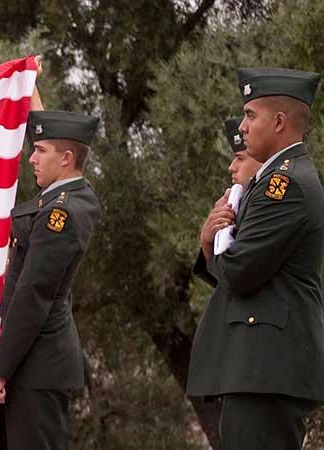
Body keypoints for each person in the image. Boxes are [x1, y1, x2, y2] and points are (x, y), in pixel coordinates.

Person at [189, 68, 323, 450]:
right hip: (260, 369)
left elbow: (243, 271)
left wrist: (208, 241)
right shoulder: (273, 180)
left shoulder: (285, 186)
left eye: (250, 115)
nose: (243, 128)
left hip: (266, 369)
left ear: (279, 121)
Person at [0, 110, 101, 450]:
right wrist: (30, 86)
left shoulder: (62, 213)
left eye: (40, 150)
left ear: (66, 159)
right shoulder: (57, 197)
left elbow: (32, 296)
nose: (31, 158)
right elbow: (54, 130)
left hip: (37, 365)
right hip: (21, 359)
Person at [192, 117, 262, 287]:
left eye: (240, 158)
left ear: (262, 160)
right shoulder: (235, 205)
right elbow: (223, 289)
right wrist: (208, 240)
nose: (232, 167)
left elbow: (239, 281)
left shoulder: (269, 207)